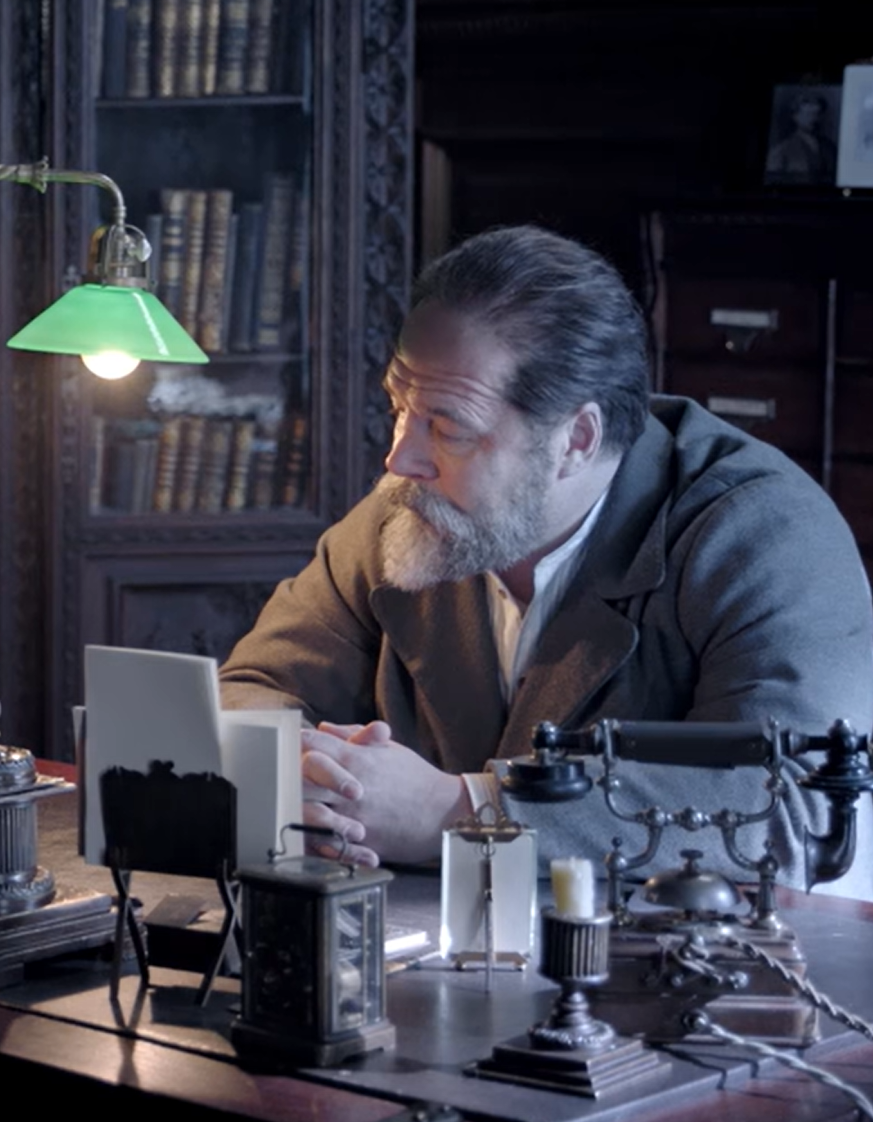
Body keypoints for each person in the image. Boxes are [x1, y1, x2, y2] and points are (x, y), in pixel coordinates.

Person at [218, 226, 873, 898]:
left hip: (684, 955)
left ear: (576, 439)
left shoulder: (762, 535)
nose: (399, 458)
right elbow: (251, 688)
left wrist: (465, 812)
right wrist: (307, 777)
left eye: (448, 429)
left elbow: (792, 809)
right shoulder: (409, 515)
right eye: (398, 407)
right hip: (445, 943)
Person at [765, 91, 838, 185]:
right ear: (795, 116)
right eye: (808, 115)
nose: (813, 119)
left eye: (817, 114)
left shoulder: (830, 147)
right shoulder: (780, 151)